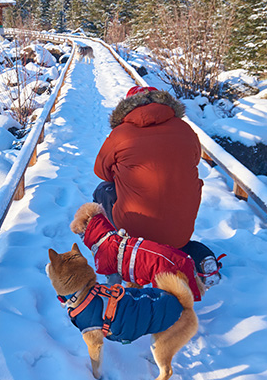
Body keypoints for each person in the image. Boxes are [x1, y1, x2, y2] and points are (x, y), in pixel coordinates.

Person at [93, 85, 218, 280]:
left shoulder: (121, 133)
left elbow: (101, 171)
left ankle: (118, 251)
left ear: (127, 106)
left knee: (103, 190)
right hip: (180, 231)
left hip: (135, 234)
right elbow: (194, 160)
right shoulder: (185, 129)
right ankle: (196, 258)